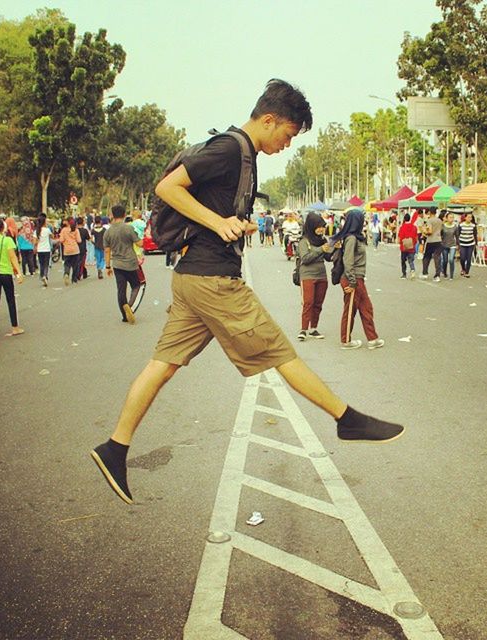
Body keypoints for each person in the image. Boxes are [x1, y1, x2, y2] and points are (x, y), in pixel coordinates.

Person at [91, 79, 404, 504]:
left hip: (191, 278)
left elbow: (209, 206)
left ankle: (115, 448)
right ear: (269, 119)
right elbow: (166, 188)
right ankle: (346, 419)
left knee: (162, 365)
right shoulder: (227, 149)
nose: (288, 144)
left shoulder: (246, 157)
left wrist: (233, 223)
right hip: (214, 280)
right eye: (289, 134)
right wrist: (219, 223)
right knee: (281, 352)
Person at [333, 208, 384, 350]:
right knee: (350, 310)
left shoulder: (356, 237)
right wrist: (352, 281)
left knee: (365, 308)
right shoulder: (351, 238)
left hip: (357, 278)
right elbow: (348, 261)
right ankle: (346, 340)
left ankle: (372, 338)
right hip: (352, 278)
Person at [297, 212, 333, 341]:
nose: (322, 229)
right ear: (312, 226)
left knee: (318, 303)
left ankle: (314, 328)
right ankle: (303, 329)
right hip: (307, 275)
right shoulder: (304, 241)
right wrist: (321, 249)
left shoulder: (322, 240)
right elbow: (305, 258)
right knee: (308, 303)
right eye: (319, 226)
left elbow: (328, 258)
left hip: (322, 275)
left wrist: (335, 248)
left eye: (323, 227)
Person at [104, 205, 142, 324]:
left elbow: (107, 250)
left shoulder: (108, 232)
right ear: (124, 214)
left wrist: (108, 266)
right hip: (131, 263)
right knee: (136, 285)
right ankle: (129, 307)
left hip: (117, 264)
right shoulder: (129, 229)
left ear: (112, 215)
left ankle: (124, 315)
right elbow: (139, 243)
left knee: (121, 290)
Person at [420, 209, 442, 281]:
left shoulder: (429, 220)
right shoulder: (439, 220)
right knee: (437, 258)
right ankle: (437, 275)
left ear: (429, 212)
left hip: (431, 240)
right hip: (438, 240)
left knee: (426, 257)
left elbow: (430, 231)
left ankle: (425, 273)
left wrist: (424, 231)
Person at [60, 218, 81, 285]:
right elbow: (79, 240)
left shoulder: (63, 230)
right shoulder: (76, 230)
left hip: (67, 250)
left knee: (67, 264)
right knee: (75, 265)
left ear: (68, 223)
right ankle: (74, 279)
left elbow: (61, 240)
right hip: (75, 249)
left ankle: (66, 273)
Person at [34, 213, 54, 286]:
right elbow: (52, 236)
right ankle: (45, 276)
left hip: (40, 250)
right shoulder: (47, 230)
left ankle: (42, 275)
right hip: (47, 249)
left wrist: (35, 247)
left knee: (41, 264)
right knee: (46, 264)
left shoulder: (36, 231)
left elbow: (34, 242)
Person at [456, 212, 477, 277]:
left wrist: (476, 243)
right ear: (465, 218)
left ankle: (467, 272)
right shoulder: (461, 225)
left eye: (471, 217)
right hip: (462, 243)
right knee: (462, 258)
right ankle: (463, 268)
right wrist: (458, 244)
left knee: (469, 258)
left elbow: (475, 235)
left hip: (470, 244)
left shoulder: (473, 225)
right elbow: (458, 234)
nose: (469, 218)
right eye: (468, 217)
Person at [398, 212, 418, 279]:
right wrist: (414, 243)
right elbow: (416, 237)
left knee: (403, 261)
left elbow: (400, 238)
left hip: (404, 247)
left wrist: (400, 242)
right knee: (411, 260)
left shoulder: (402, 227)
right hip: (411, 246)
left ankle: (404, 274)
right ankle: (412, 270)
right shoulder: (414, 227)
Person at [440, 212, 457, 280]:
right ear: (446, 218)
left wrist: (458, 245)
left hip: (452, 245)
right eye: (450, 217)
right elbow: (440, 235)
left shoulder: (455, 226)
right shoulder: (443, 226)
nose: (451, 219)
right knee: (445, 261)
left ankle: (451, 275)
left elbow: (457, 236)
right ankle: (444, 272)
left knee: (451, 260)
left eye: (452, 217)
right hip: (444, 245)